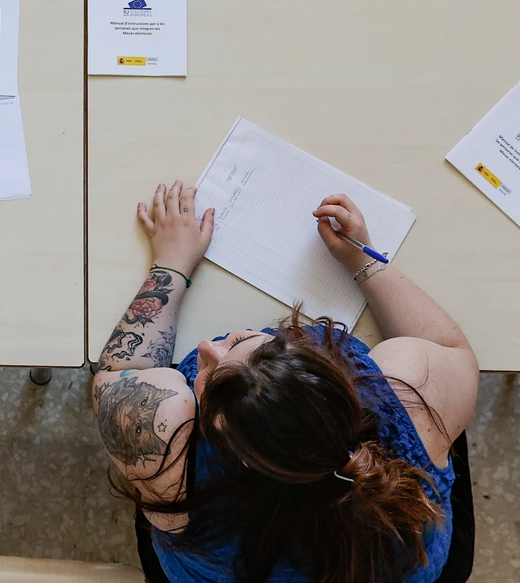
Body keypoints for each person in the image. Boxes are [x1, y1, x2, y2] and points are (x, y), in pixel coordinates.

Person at [94, 183, 480, 583]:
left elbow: (119, 372)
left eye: (212, 376)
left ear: (236, 450)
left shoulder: (167, 433)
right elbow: (447, 346)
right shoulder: (411, 390)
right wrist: (364, 258)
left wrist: (170, 265)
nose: (208, 347)